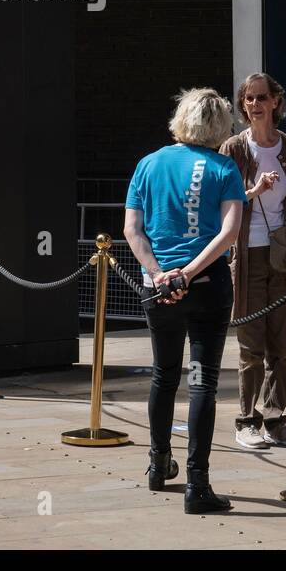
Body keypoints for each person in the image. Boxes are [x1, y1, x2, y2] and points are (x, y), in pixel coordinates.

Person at [124, 88, 245, 514]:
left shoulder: (149, 164)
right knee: (202, 383)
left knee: (164, 375)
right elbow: (229, 233)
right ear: (220, 125)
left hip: (159, 287)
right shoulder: (224, 167)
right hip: (208, 283)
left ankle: (158, 465)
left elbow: (132, 230)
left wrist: (161, 275)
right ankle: (198, 485)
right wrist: (190, 274)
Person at [220, 73, 286, 450]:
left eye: (262, 97)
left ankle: (276, 419)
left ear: (276, 101)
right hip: (246, 254)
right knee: (251, 345)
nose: (255, 105)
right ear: (243, 105)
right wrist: (255, 190)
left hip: (283, 252)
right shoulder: (234, 148)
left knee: (281, 344)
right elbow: (224, 202)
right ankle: (247, 420)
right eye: (248, 99)